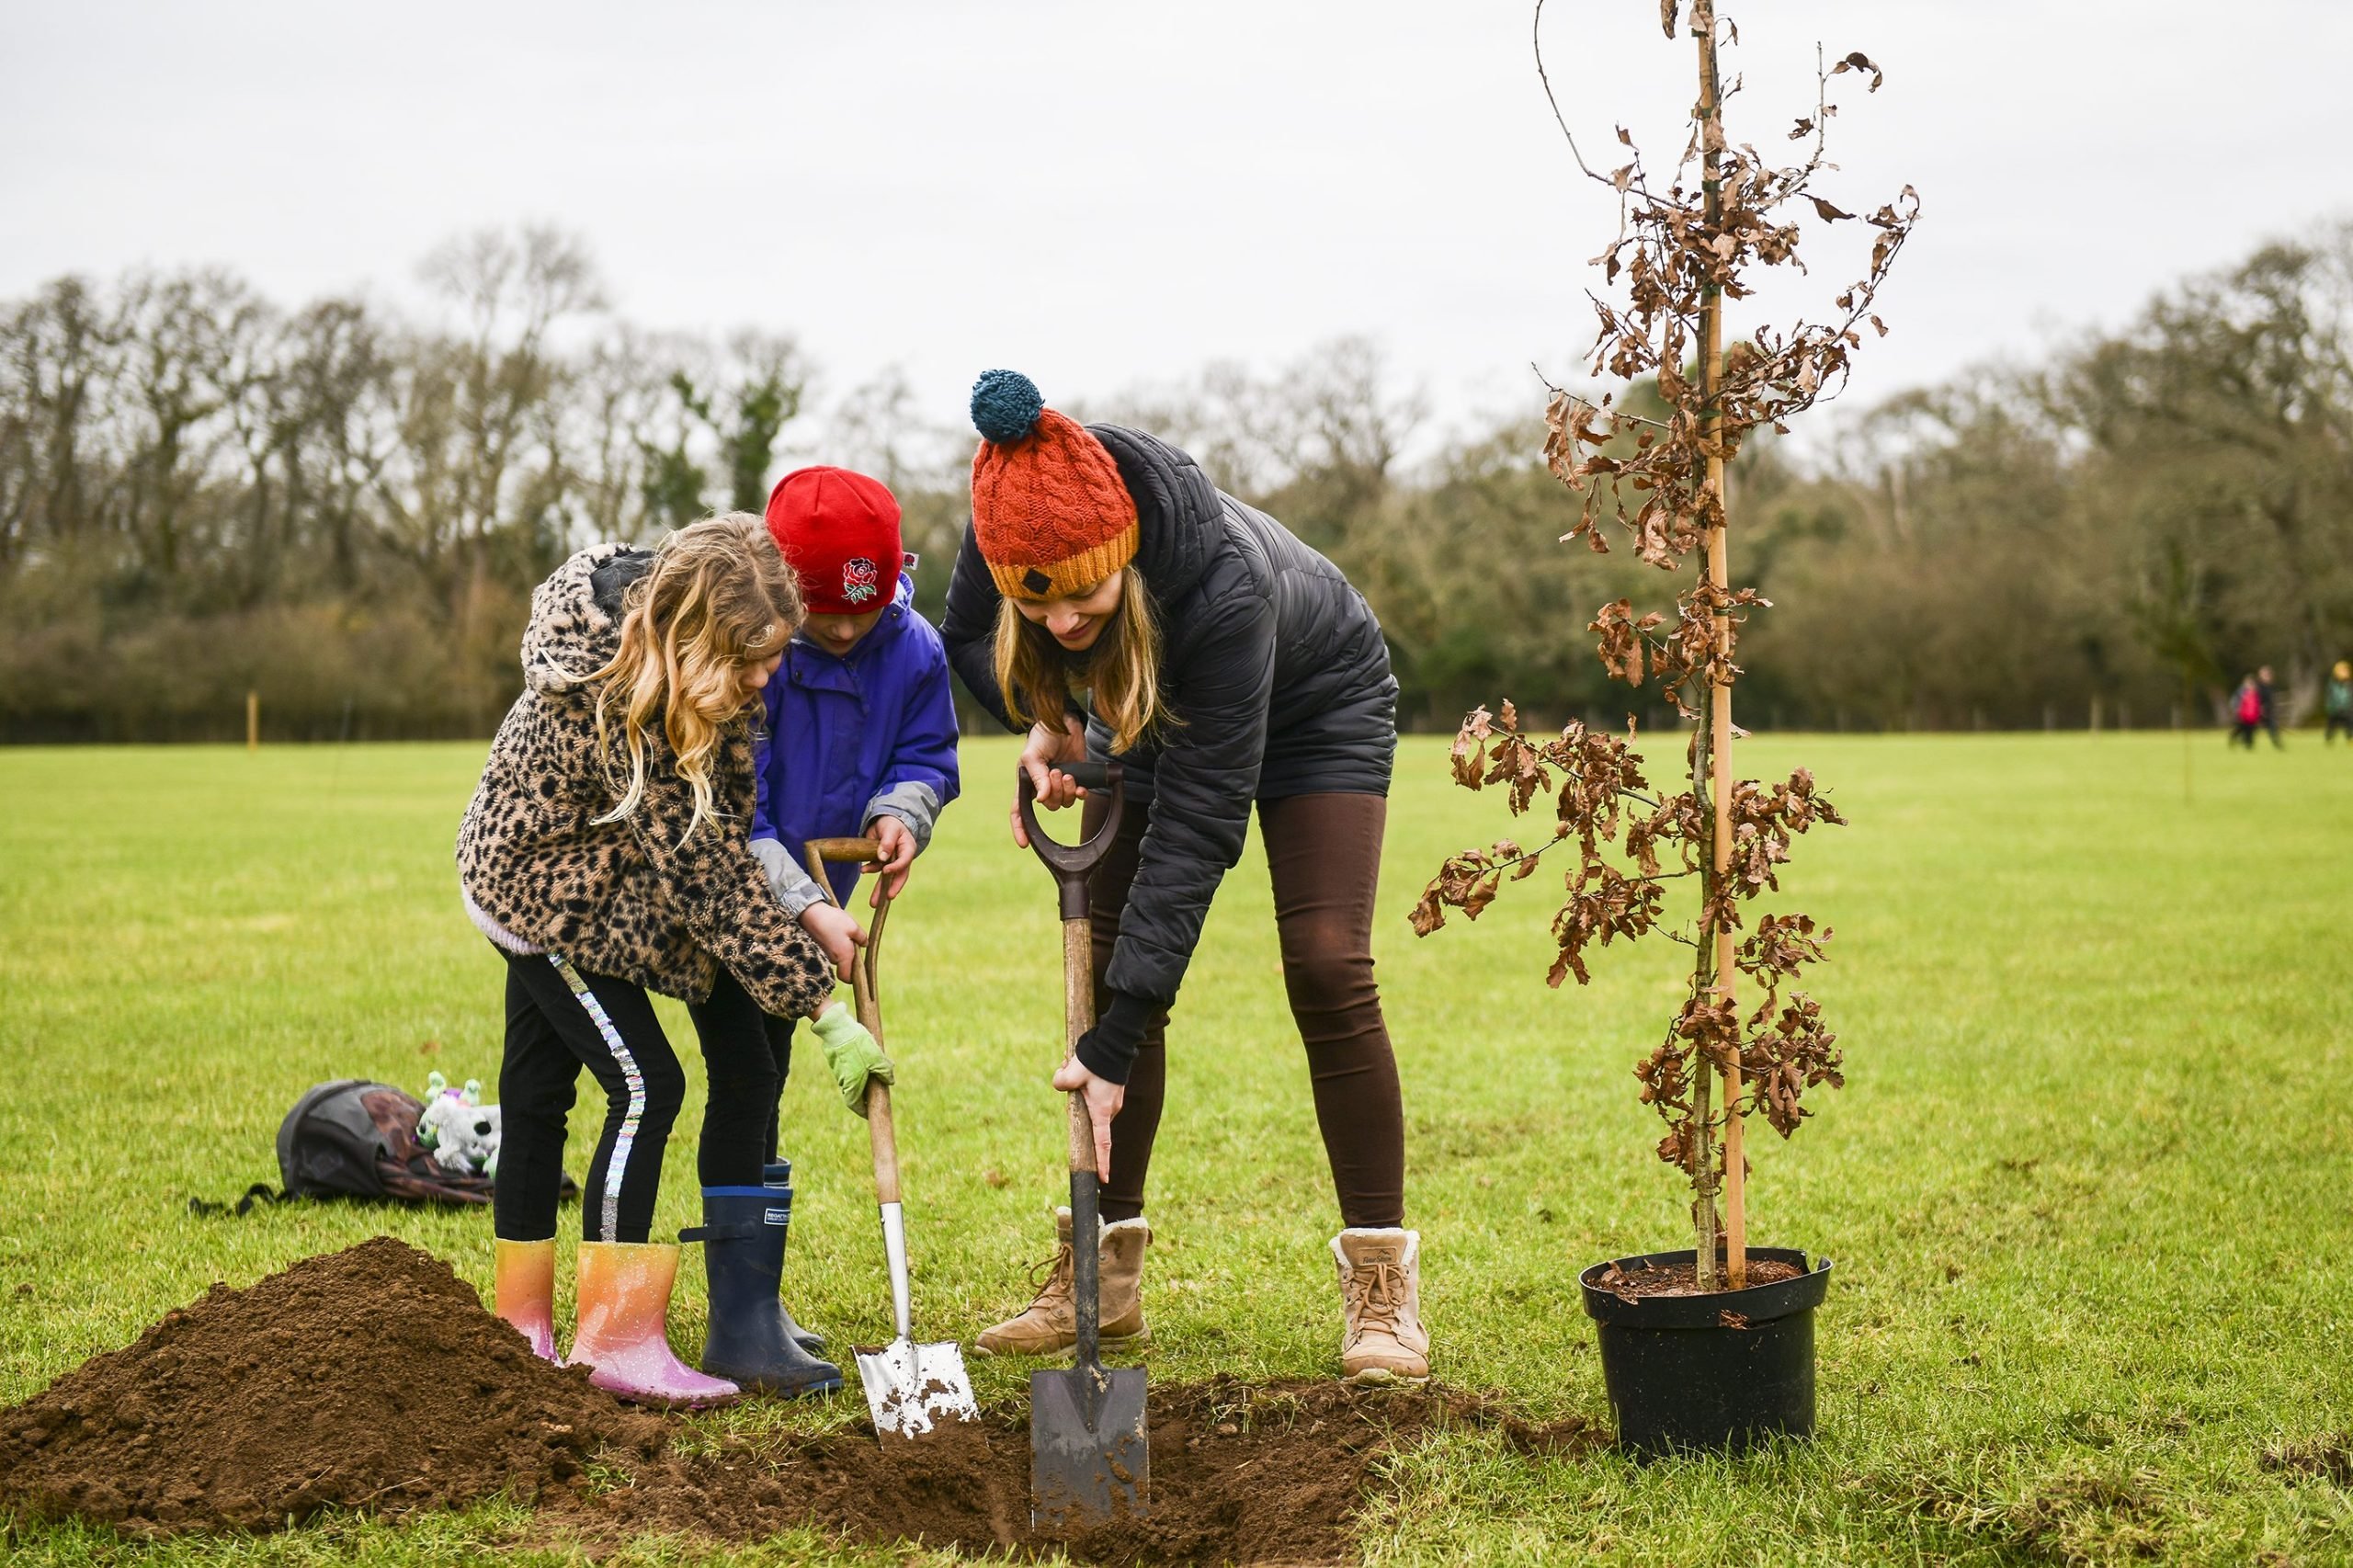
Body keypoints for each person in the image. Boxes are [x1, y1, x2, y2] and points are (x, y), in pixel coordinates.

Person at [938, 369, 1427, 1384]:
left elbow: (1198, 828)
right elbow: (969, 642)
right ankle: (1103, 1277)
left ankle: (1381, 1282)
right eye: (1044, 600)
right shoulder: (1008, 528)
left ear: (1124, 555)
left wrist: (1110, 1047)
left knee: (1329, 963)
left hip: (1313, 702)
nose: (1066, 617)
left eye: (1088, 591)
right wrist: (1053, 711)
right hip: (1149, 700)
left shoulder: (1219, 587)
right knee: (1114, 957)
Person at [456, 516, 892, 1404]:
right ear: (690, 641)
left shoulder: (692, 679)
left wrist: (799, 929)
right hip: (543, 894)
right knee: (647, 1085)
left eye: (775, 654)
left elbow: (724, 841)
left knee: (534, 1095)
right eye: (750, 661)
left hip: (588, 879)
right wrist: (824, 1006)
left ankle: (521, 1328)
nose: (769, 677)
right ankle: (612, 1339)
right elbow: (709, 879)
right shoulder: (623, 705)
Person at [712, 464, 961, 1374]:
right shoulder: (754, 653)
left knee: (765, 1071)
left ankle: (755, 1301)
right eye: (826, 616)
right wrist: (808, 907)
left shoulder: (916, 647)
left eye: (865, 611)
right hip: (737, 888)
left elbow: (927, 749)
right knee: (747, 1072)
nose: (849, 631)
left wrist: (903, 812)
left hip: (821, 897)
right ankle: (740, 1318)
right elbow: (739, 811)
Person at [2256, 665, 2286, 748]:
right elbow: (2257, 699)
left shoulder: (2271, 686)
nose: (2266, 676)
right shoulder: (2259, 687)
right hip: (2259, 711)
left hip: (2269, 711)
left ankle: (2277, 744)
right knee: (2249, 727)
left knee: (2273, 727)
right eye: (2264, 674)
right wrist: (2260, 708)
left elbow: (2272, 699)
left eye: (2267, 674)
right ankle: (2247, 742)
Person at [2230, 675, 2263, 749]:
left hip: (2252, 718)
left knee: (2250, 732)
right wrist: (2237, 712)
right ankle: (2236, 739)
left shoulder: (2256, 695)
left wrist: (2258, 716)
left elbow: (2257, 706)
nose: (2250, 686)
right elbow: (2236, 704)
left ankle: (2248, 745)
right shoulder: (2241, 693)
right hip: (2243, 717)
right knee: (2241, 730)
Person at [2325, 661, 2351, 744]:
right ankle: (2329, 738)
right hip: (2334, 709)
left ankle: (2350, 738)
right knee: (2332, 724)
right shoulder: (2333, 684)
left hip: (2346, 708)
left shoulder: (2348, 684)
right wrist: (2331, 707)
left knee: (2349, 723)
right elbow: (2330, 697)